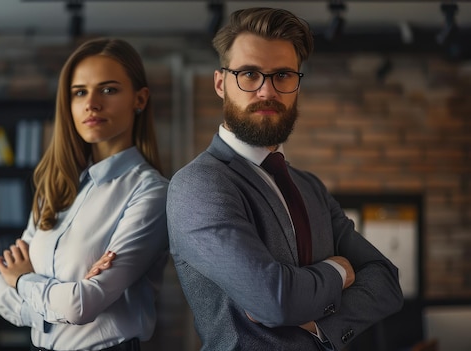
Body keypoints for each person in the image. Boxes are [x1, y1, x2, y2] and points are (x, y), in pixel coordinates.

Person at [166, 7, 404, 351]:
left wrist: (323, 324)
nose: (267, 91)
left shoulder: (310, 188)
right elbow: (275, 301)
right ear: (221, 83)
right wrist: (339, 271)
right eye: (249, 74)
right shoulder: (198, 185)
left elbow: (386, 281)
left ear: (296, 83)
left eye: (283, 75)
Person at [0, 37, 169, 351]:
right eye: (79, 92)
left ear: (140, 99)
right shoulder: (55, 188)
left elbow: (80, 306)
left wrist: (23, 280)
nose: (91, 103)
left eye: (108, 90)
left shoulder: (151, 193)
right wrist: (58, 301)